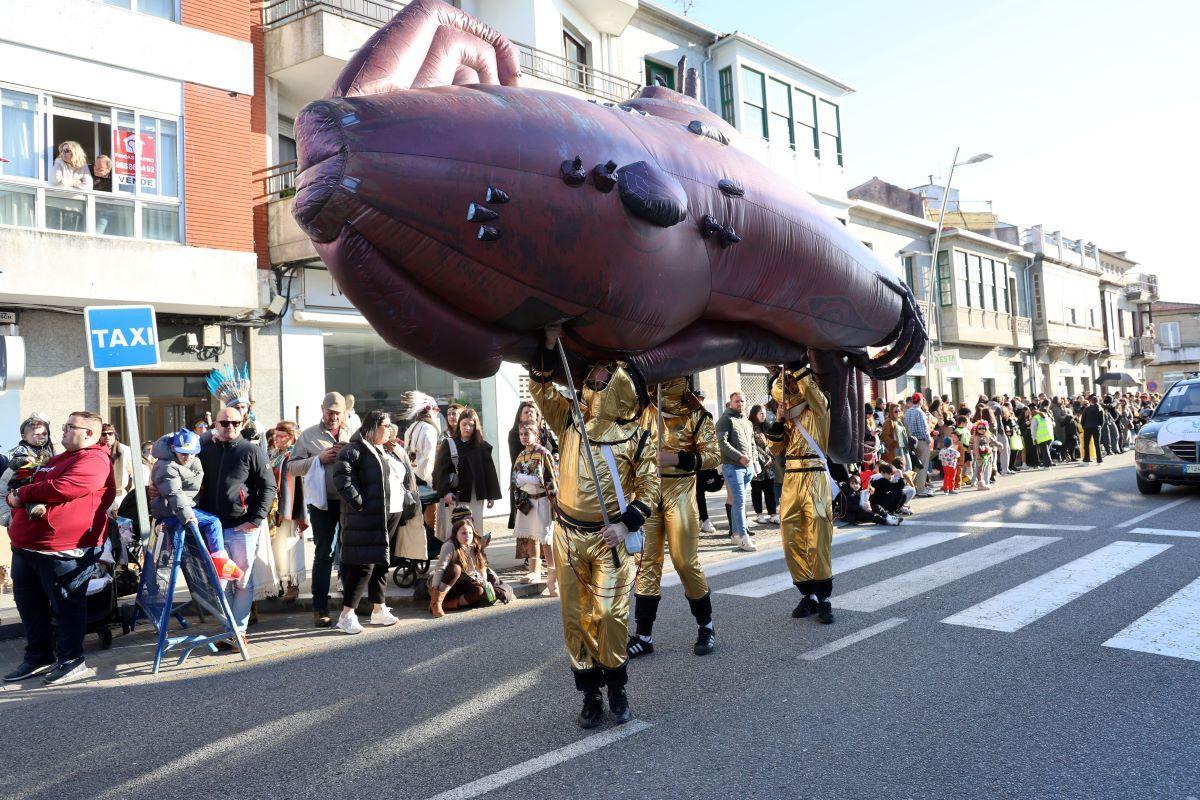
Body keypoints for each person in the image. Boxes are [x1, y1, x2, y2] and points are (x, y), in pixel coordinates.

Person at [530, 324, 658, 729]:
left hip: (610, 540)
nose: (592, 381)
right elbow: (541, 391)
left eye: (603, 378)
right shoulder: (570, 420)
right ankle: (590, 694)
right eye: (593, 376)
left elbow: (650, 485)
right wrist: (547, 350)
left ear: (620, 388)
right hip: (566, 536)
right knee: (574, 620)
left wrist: (626, 524)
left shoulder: (635, 434)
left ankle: (617, 687)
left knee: (608, 615)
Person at [3, 411, 114, 686]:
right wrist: (18, 490)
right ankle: (39, 656)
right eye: (64, 426)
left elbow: (62, 488)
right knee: (30, 606)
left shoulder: (95, 459)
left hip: (63, 550)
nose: (62, 430)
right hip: (27, 546)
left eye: (69, 427)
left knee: (66, 607)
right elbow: (33, 480)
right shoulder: (60, 457)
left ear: (88, 433)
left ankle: (71, 660)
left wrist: (21, 495)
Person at [628, 376, 720, 660]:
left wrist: (676, 458)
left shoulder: (696, 414)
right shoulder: (643, 409)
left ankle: (706, 626)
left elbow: (713, 456)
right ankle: (644, 636)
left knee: (684, 561)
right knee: (646, 563)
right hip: (647, 490)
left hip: (681, 490)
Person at [330, 410, 416, 634]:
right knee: (364, 565)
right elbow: (342, 478)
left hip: (391, 512)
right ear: (373, 426)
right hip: (369, 515)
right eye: (386, 425)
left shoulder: (386, 449)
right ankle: (347, 614)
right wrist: (361, 504)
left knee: (381, 562)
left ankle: (379, 608)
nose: (390, 429)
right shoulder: (354, 450)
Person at [197, 407, 277, 642]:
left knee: (242, 581)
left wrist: (255, 520)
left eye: (235, 422)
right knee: (221, 581)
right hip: (213, 529)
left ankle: (237, 631)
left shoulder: (251, 451)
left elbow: (269, 487)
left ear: (242, 424)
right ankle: (228, 628)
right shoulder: (206, 449)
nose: (230, 426)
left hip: (243, 527)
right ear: (216, 424)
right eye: (224, 422)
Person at [764, 361, 835, 624]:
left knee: (818, 533)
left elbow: (813, 392)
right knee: (791, 534)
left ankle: (824, 597)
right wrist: (779, 421)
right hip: (792, 477)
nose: (790, 392)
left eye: (792, 387)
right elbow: (774, 450)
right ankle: (808, 593)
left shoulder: (818, 409)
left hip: (815, 474)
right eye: (786, 389)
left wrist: (794, 365)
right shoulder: (788, 418)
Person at [287, 392, 352, 627]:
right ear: (322, 409)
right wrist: (319, 459)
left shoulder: (352, 432)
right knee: (324, 553)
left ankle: (351, 603)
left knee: (350, 552)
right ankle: (320, 607)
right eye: (329, 411)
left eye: (337, 412)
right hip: (322, 503)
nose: (333, 416)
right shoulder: (308, 435)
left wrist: (350, 452)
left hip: (348, 501)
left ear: (344, 413)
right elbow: (292, 467)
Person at [148, 428, 234, 572]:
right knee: (213, 522)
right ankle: (220, 559)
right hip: (171, 510)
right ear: (173, 449)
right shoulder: (167, 466)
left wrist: (213, 432)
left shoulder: (192, 460)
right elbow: (175, 494)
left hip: (181, 507)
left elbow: (198, 439)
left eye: (191, 453)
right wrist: (188, 517)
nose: (187, 457)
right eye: (183, 453)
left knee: (182, 552)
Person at [432, 408, 502, 544]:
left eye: (471, 424)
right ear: (459, 425)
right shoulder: (449, 443)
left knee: (475, 528)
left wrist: (491, 495)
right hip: (454, 495)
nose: (467, 428)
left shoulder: (482, 446)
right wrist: (445, 491)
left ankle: (476, 559)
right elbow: (440, 471)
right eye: (464, 424)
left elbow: (489, 472)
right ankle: (455, 559)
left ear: (476, 426)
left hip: (476, 495)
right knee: (454, 529)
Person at [511, 421, 557, 590]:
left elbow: (552, 476)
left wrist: (535, 480)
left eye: (527, 434)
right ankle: (534, 571)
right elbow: (515, 477)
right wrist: (520, 482)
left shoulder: (543, 452)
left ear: (536, 434)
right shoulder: (521, 455)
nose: (524, 437)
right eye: (521, 434)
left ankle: (553, 577)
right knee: (531, 536)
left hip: (542, 499)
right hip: (527, 500)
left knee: (545, 538)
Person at [428, 508, 497, 616]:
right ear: (456, 533)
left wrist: (485, 584)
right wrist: (434, 590)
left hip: (464, 582)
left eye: (470, 533)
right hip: (445, 583)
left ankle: (447, 604)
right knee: (455, 569)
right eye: (464, 533)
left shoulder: (474, 544)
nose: (467, 536)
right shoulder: (449, 545)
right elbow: (440, 568)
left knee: (479, 591)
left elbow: (480, 566)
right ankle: (436, 603)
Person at [268, 421, 307, 602]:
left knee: (289, 546)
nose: (276, 438)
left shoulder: (294, 456)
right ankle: (279, 584)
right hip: (273, 508)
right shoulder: (273, 454)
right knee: (276, 549)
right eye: (275, 435)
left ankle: (293, 585)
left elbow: (295, 485)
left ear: (292, 438)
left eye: (281, 435)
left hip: (290, 507)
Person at [715, 391, 759, 551]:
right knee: (739, 502)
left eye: (742, 401)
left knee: (737, 502)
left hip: (747, 468)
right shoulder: (725, 420)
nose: (740, 404)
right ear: (731, 402)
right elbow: (722, 443)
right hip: (732, 467)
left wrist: (754, 464)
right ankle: (743, 537)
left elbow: (752, 444)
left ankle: (735, 534)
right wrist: (740, 456)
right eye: (736, 401)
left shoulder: (747, 422)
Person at [0, 415, 56, 529]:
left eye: (44, 434)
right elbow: (14, 463)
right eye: (36, 434)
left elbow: (55, 460)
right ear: (24, 437)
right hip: (22, 480)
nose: (41, 437)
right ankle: (35, 507)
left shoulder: (47, 449)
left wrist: (54, 448)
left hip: (40, 481)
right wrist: (23, 460)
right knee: (26, 493)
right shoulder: (22, 449)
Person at [748, 404, 778, 525]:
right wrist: (763, 458)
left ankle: (773, 514)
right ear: (755, 414)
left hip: (768, 465)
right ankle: (759, 514)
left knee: (770, 489)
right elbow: (752, 446)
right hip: (757, 464)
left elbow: (772, 445)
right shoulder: (750, 427)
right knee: (756, 489)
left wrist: (772, 457)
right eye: (761, 413)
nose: (763, 416)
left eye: (764, 413)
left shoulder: (766, 427)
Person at [100, 423, 135, 514]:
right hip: (101, 494)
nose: (107, 436)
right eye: (104, 434)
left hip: (119, 494)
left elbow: (132, 473)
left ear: (115, 435)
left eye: (110, 433)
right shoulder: (96, 451)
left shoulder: (125, 450)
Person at [904, 393, 934, 497]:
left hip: (911, 441)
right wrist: (929, 439)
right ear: (920, 400)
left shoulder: (908, 412)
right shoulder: (920, 412)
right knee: (922, 466)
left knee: (915, 465)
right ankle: (920, 489)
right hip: (921, 441)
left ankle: (914, 487)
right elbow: (924, 430)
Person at [969, 421, 999, 490]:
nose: (982, 430)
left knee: (983, 470)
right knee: (979, 470)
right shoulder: (977, 437)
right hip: (980, 456)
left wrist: (999, 444)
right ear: (976, 429)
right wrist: (978, 457)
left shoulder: (986, 435)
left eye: (983, 428)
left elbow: (993, 441)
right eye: (979, 428)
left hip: (986, 456)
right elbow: (976, 448)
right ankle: (980, 485)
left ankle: (984, 483)